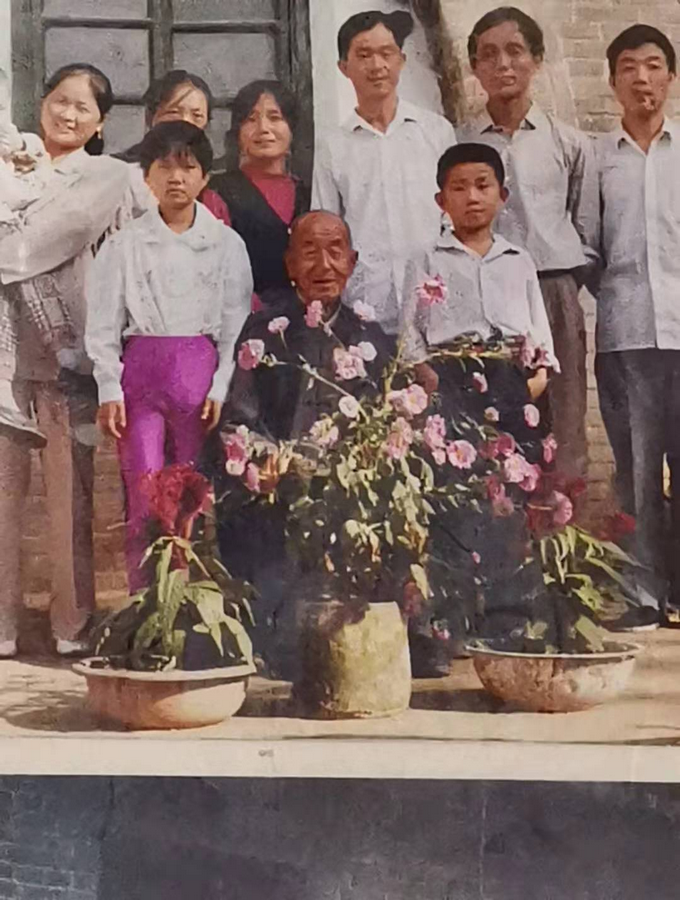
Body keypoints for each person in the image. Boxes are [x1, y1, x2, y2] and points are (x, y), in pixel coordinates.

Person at [400, 142, 557, 671]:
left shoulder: (519, 261)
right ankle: (446, 630)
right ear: (440, 200)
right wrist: (432, 383)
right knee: (451, 507)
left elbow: (539, 337)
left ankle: (506, 625)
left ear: (502, 195)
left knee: (507, 507)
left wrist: (526, 388)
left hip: (510, 384)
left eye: (483, 186)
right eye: (459, 188)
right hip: (450, 382)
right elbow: (411, 335)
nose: (472, 197)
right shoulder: (426, 259)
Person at [218, 210, 393, 675]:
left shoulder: (370, 339)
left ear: (352, 261)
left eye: (335, 251)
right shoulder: (264, 332)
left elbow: (384, 425)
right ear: (290, 264)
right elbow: (238, 420)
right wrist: (263, 460)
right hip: (280, 493)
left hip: (346, 496)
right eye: (309, 252)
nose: (324, 265)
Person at [0, 63, 132, 658]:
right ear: (43, 102)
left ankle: (71, 624)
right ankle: (2, 626)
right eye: (60, 100)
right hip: (5, 350)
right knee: (2, 494)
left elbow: (48, 240)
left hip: (67, 351)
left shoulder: (108, 177)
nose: (67, 114)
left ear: (100, 123)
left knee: (69, 496)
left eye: (83, 107)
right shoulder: (12, 165)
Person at [86, 121, 252, 593]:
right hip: (142, 375)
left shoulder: (225, 244)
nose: (176, 178)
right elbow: (103, 322)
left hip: (198, 375)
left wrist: (220, 385)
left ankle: (186, 603)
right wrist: (109, 386)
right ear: (147, 177)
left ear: (205, 177)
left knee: (191, 497)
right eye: (164, 167)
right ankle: (146, 603)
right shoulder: (124, 245)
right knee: (144, 492)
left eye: (188, 167)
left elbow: (235, 324)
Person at [461, 6, 598, 482]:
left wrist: (563, 286)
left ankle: (564, 513)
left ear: (536, 60)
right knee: (495, 410)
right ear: (475, 67)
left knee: (563, 409)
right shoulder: (460, 143)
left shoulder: (569, 143)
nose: (503, 64)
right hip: (487, 292)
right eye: (489, 54)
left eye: (515, 51)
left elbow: (586, 229)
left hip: (553, 288)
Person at [592, 25, 680, 630]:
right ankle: (644, 594)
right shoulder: (599, 160)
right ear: (613, 80)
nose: (642, 78)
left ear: (671, 76)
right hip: (625, 336)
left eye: (653, 65)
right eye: (629, 67)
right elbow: (586, 243)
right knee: (638, 473)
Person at [312, 10, 457, 336]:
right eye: (364, 55)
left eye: (386, 53)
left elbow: (454, 219)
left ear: (401, 60)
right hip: (366, 306)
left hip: (435, 304)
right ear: (344, 67)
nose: (377, 65)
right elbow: (326, 229)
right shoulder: (334, 146)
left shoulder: (436, 132)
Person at [209, 80, 310, 308]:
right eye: (251, 119)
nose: (263, 128)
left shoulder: (309, 194)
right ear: (237, 133)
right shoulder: (219, 193)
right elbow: (214, 271)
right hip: (241, 316)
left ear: (292, 129)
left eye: (275, 117)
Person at [115, 69, 230, 225]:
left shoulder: (213, 187)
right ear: (150, 117)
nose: (185, 122)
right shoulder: (120, 172)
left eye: (197, 116)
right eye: (174, 112)